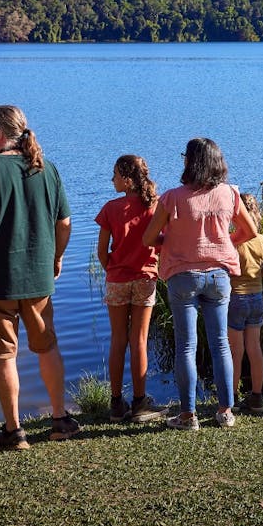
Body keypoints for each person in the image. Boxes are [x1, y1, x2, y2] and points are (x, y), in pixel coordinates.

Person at [0, 105, 81, 449]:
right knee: (47, 346)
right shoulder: (47, 169)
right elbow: (65, 223)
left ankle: (14, 431)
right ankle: (59, 418)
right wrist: (55, 256)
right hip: (39, 278)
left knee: (4, 354)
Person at [142, 137, 258, 431]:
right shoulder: (231, 194)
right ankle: (225, 411)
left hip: (183, 277)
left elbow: (148, 239)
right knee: (220, 344)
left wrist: (172, 240)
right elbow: (250, 230)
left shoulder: (171, 198)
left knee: (186, 347)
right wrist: (223, 244)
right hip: (219, 276)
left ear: (190, 162)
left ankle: (188, 416)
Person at [95, 155, 166, 423]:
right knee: (139, 341)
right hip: (145, 279)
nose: (111, 179)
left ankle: (116, 404)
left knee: (118, 339)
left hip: (117, 280)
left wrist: (112, 270)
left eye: (114, 174)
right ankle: (139, 403)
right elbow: (162, 244)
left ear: (126, 179)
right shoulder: (156, 207)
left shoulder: (111, 209)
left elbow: (102, 251)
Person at [228, 193, 263, 415]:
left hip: (236, 297)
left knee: (235, 351)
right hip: (257, 297)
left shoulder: (232, 240)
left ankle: (233, 397)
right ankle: (257, 397)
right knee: (254, 348)